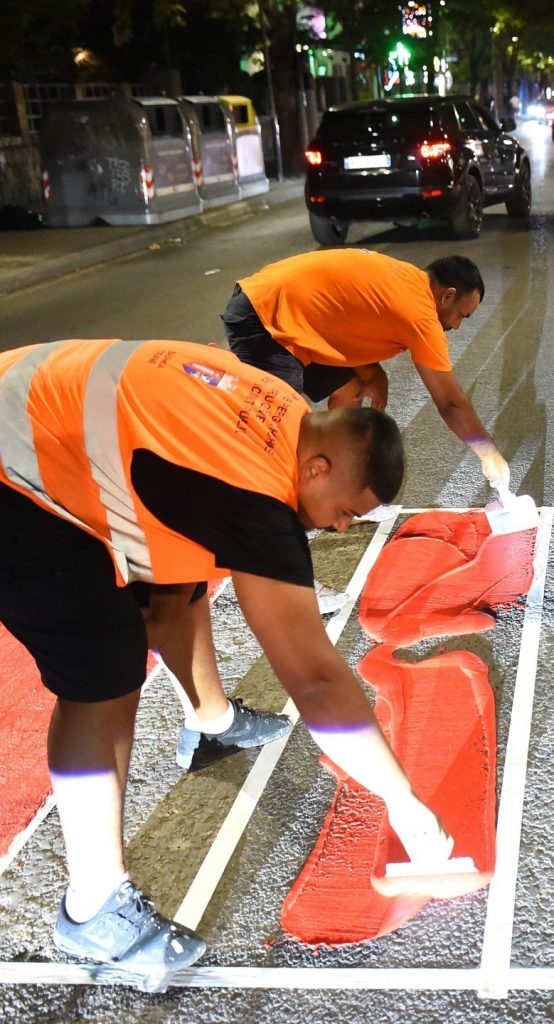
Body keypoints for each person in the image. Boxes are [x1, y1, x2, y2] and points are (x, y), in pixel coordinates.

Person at [0, 339, 452, 987]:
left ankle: (201, 728)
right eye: (350, 512)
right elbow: (316, 678)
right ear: (318, 469)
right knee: (101, 667)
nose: (345, 529)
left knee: (145, 620)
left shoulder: (282, 413)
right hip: (13, 467)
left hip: (37, 417)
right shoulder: (255, 493)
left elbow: (174, 579)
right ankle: (93, 908)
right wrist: (403, 801)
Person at [222, 250, 510, 496]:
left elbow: (348, 313)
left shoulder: (408, 280)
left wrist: (374, 372)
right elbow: (450, 402)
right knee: (284, 424)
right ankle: (273, 504)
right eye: (462, 315)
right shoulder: (420, 315)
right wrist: (488, 453)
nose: (458, 326)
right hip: (264, 317)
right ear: (447, 296)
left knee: (351, 391)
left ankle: (337, 491)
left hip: (297, 318)